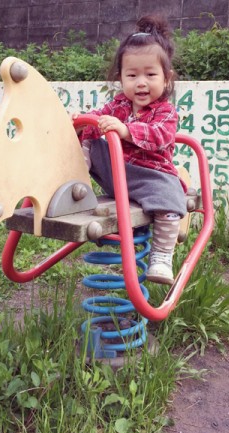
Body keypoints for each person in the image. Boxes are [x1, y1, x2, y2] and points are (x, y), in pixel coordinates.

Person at [73, 15, 187, 285]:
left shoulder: (166, 112)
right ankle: (75, 173)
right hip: (118, 174)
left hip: (151, 177)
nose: (141, 83)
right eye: (132, 75)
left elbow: (161, 136)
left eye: (150, 74)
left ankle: (161, 256)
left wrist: (126, 130)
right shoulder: (118, 105)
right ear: (120, 77)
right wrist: (80, 122)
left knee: (173, 199)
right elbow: (98, 118)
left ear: (166, 78)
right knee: (91, 132)